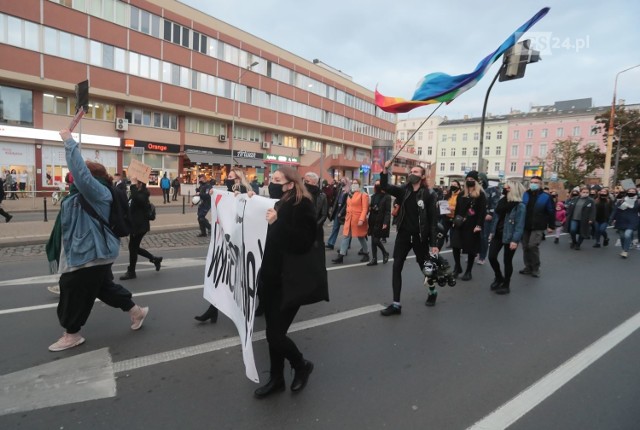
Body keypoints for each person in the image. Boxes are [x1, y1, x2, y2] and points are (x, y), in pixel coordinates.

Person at [47, 129, 148, 352]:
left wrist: (69, 142)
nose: (72, 179)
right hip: (90, 251)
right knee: (103, 288)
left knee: (72, 289)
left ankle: (72, 333)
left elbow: (80, 175)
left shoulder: (99, 192)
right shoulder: (78, 194)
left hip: (92, 253)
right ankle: (137, 311)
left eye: (75, 176)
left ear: (90, 177)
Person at [254, 166, 317, 399]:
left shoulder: (303, 205)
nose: (272, 182)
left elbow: (303, 242)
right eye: (272, 178)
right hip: (271, 279)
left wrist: (277, 222)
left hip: (290, 281)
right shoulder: (278, 201)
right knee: (272, 332)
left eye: (277, 179)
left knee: (275, 335)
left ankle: (301, 365)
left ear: (291, 183)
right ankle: (276, 378)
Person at [379, 161, 440, 314]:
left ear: (423, 176)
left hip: (420, 237)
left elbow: (433, 220)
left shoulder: (429, 194)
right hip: (404, 235)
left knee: (424, 267)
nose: (412, 173)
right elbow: (385, 187)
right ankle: (396, 304)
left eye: (416, 172)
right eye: (411, 171)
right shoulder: (403, 190)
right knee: (396, 266)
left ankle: (432, 291)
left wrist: (434, 243)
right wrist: (385, 170)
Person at [120, 178, 163, 280]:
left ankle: (131, 272)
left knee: (133, 248)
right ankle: (154, 259)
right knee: (134, 248)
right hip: (134, 225)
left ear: (140, 184)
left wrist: (133, 186)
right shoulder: (136, 193)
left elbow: (137, 199)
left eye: (136, 183)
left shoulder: (144, 194)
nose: (134, 185)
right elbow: (130, 204)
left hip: (140, 226)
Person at [487, 181, 526, 295]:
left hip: (510, 237)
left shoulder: (520, 206)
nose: (504, 189)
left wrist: (515, 240)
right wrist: (492, 232)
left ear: (513, 190)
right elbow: (496, 219)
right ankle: (499, 277)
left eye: (507, 188)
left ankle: (506, 284)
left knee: (507, 261)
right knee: (492, 257)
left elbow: (519, 225)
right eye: (505, 187)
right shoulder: (501, 202)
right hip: (498, 235)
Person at [450, 171, 487, 281]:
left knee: (471, 249)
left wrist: (479, 225)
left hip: (472, 225)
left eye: (472, 179)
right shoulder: (462, 194)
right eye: (468, 179)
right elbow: (457, 209)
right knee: (455, 246)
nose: (469, 181)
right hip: (460, 223)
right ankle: (458, 267)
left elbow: (482, 212)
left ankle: (468, 271)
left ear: (476, 181)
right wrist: (454, 220)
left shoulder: (480, 194)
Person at [519, 176, 555, 278]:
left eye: (536, 182)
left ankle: (535, 268)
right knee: (525, 247)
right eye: (532, 182)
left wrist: (551, 226)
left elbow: (551, 211)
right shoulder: (525, 194)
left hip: (538, 225)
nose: (533, 184)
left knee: (532, 246)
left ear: (541, 184)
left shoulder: (546, 196)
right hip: (525, 225)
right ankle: (528, 267)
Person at [331, 178, 369, 264]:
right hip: (349, 219)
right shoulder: (350, 194)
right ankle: (341, 256)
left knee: (361, 237)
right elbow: (348, 206)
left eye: (356, 183)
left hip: (358, 219)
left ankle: (366, 253)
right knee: (346, 236)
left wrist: (361, 219)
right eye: (353, 183)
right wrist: (343, 214)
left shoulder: (363, 194)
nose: (354, 185)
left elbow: (364, 209)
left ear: (359, 185)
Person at [365, 179, 391, 266]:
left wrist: (386, 222)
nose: (377, 186)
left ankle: (385, 252)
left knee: (376, 239)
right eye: (376, 185)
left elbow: (388, 211)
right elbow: (370, 207)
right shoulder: (373, 196)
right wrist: (370, 208)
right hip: (372, 220)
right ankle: (374, 259)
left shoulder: (387, 197)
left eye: (379, 184)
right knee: (373, 240)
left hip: (380, 221)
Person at [610, 186, 640, 259]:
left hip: (633, 220)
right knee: (622, 236)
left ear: (636, 192)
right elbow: (616, 210)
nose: (631, 193)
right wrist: (612, 218)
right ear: (627, 192)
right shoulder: (622, 200)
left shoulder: (638, 201)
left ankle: (625, 251)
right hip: (621, 220)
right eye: (630, 191)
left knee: (627, 234)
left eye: (633, 191)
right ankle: (624, 249)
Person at [478, 176, 501, 265]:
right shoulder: (476, 189)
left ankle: (482, 256)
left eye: (480, 180)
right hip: (476, 215)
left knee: (484, 237)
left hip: (486, 216)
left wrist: (490, 213)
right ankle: (475, 253)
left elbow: (495, 203)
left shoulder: (493, 190)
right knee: (476, 236)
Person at [564, 186, 595, 251]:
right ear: (580, 192)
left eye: (587, 192)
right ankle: (574, 241)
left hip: (584, 219)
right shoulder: (575, 199)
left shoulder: (591, 201)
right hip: (574, 218)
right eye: (583, 192)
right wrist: (567, 214)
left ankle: (578, 244)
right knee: (572, 230)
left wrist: (591, 219)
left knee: (582, 232)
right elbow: (570, 207)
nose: (585, 193)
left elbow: (593, 211)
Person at [303, 172, 328, 246]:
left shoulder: (322, 195)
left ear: (314, 182)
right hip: (302, 227)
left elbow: (324, 214)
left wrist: (316, 225)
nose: (305, 184)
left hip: (316, 230)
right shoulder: (301, 193)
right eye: (304, 181)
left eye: (307, 181)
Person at [325, 178, 349, 250]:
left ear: (346, 182)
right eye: (341, 181)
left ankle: (347, 245)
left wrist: (341, 212)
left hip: (345, 211)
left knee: (347, 230)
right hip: (337, 209)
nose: (342, 182)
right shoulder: (339, 189)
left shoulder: (349, 190)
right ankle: (331, 243)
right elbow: (336, 199)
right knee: (335, 227)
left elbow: (346, 203)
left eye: (343, 181)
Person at [441, 180, 461, 247]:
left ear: (458, 186)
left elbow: (462, 207)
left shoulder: (461, 195)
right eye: (452, 184)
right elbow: (444, 203)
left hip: (455, 218)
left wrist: (453, 208)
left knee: (454, 235)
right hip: (446, 216)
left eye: (455, 185)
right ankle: (436, 250)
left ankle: (456, 248)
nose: (453, 186)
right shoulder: (448, 194)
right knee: (441, 233)